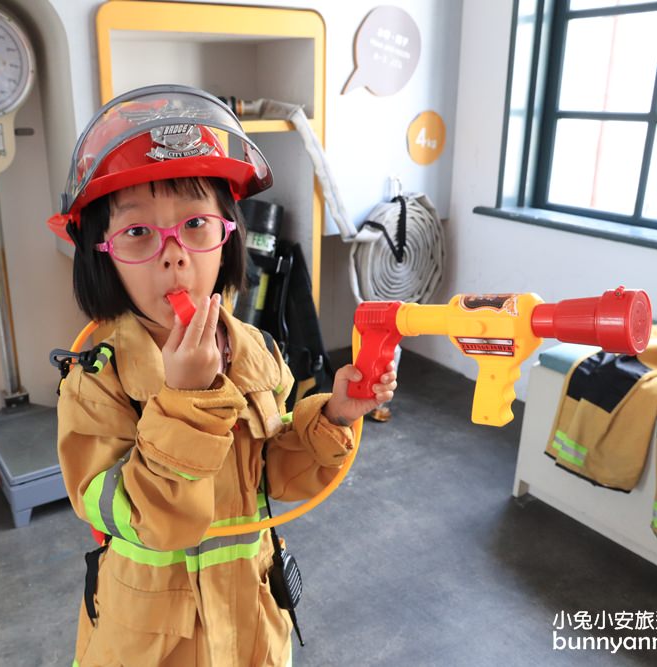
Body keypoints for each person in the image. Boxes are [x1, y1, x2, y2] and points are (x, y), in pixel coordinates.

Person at [48, 85, 398, 667]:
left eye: (196, 225)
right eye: (138, 233)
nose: (175, 255)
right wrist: (183, 401)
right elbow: (132, 516)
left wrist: (334, 414)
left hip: (251, 625)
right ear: (100, 253)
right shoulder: (96, 380)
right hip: (153, 643)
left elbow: (274, 475)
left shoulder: (255, 350)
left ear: (228, 236)